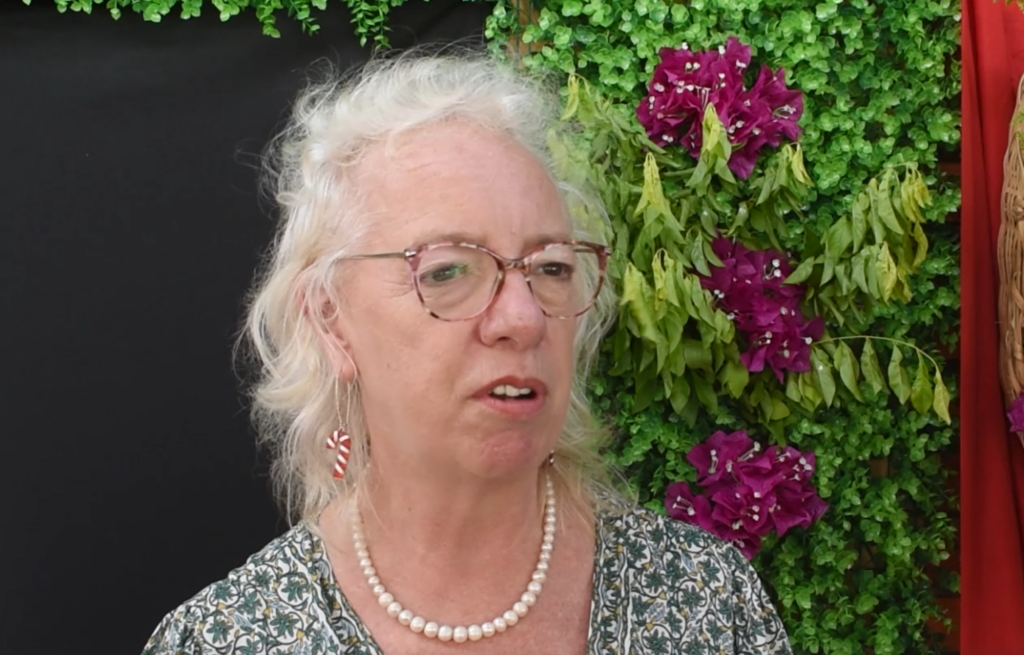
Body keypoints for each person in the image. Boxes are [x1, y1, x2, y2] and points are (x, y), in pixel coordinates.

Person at [141, 50, 793, 655]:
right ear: (330, 321)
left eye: (551, 268)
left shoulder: (705, 601)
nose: (524, 318)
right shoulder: (230, 638)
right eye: (447, 270)